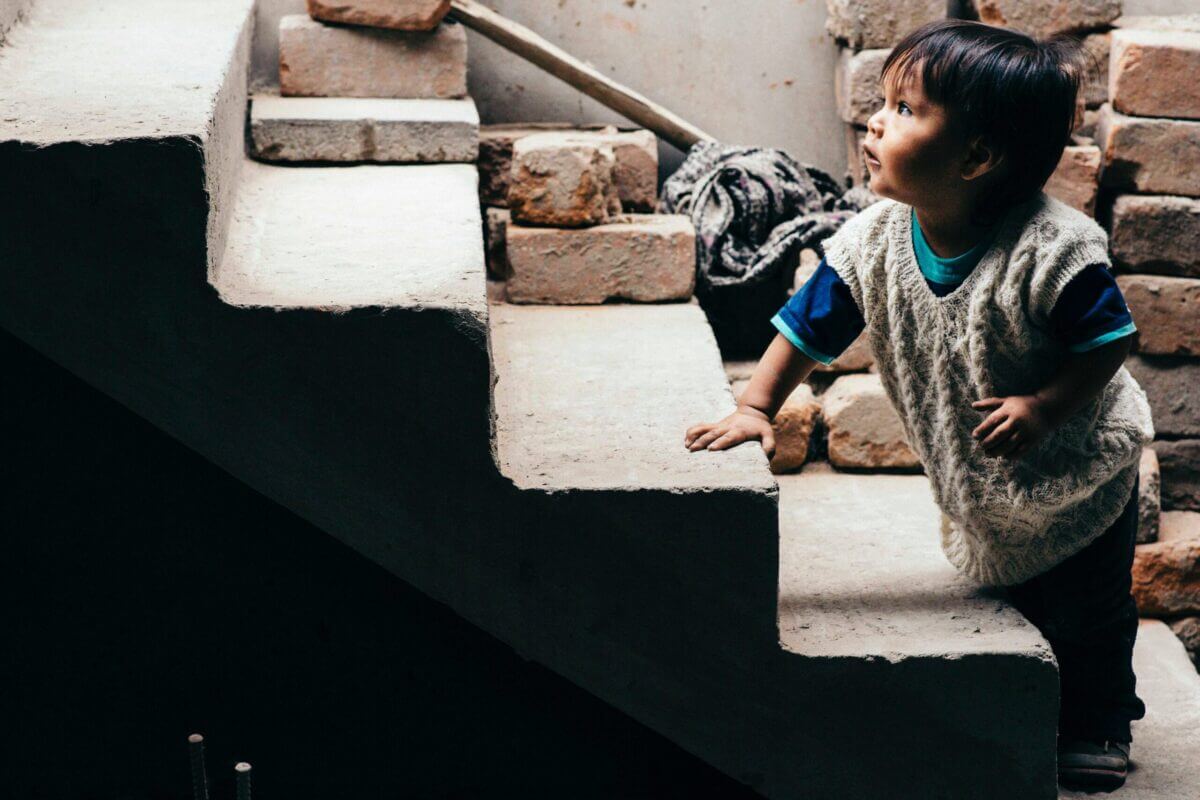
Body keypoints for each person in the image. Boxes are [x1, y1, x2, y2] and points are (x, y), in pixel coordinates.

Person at [683, 19, 1156, 792]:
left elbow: (1109, 343)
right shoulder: (874, 241)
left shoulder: (1055, 251)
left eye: (906, 110)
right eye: (884, 103)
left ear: (975, 157)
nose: (876, 121)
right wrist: (757, 404)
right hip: (990, 468)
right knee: (1027, 589)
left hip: (1081, 459)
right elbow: (810, 325)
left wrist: (1043, 406)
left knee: (1090, 609)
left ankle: (1100, 717)